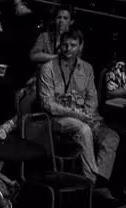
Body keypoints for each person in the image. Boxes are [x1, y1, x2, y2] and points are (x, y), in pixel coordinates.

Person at [36, 29, 119, 191]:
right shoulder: (48, 68)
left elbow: (92, 99)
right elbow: (48, 105)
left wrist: (88, 114)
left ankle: (100, 182)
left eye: (73, 45)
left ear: (81, 46)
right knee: (84, 130)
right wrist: (77, 115)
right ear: (60, 45)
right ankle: (91, 183)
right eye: (65, 45)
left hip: (85, 117)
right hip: (57, 119)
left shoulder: (87, 68)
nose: (68, 49)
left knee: (111, 138)